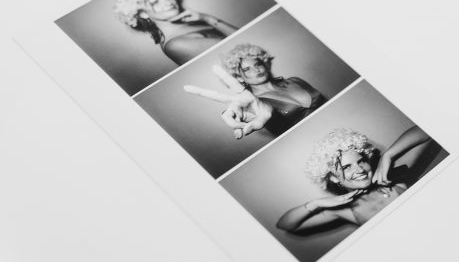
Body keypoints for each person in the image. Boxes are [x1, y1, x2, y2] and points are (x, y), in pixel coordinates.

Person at [276, 125, 434, 235]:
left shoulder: (392, 177)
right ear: (333, 178)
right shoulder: (345, 210)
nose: (360, 170)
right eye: (346, 167)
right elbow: (285, 225)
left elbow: (426, 130)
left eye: (361, 161)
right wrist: (315, 203)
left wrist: (388, 155)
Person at [183, 43, 326, 139]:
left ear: (265, 63)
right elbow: (254, 114)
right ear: (238, 76)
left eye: (257, 64)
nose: (256, 69)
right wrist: (231, 113)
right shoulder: (254, 105)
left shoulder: (295, 80)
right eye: (247, 69)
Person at [113, 0, 238, 65]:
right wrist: (209, 19)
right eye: (156, 2)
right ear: (143, 14)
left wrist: (205, 18)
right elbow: (242, 45)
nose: (168, 2)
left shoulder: (190, 23)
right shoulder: (175, 45)